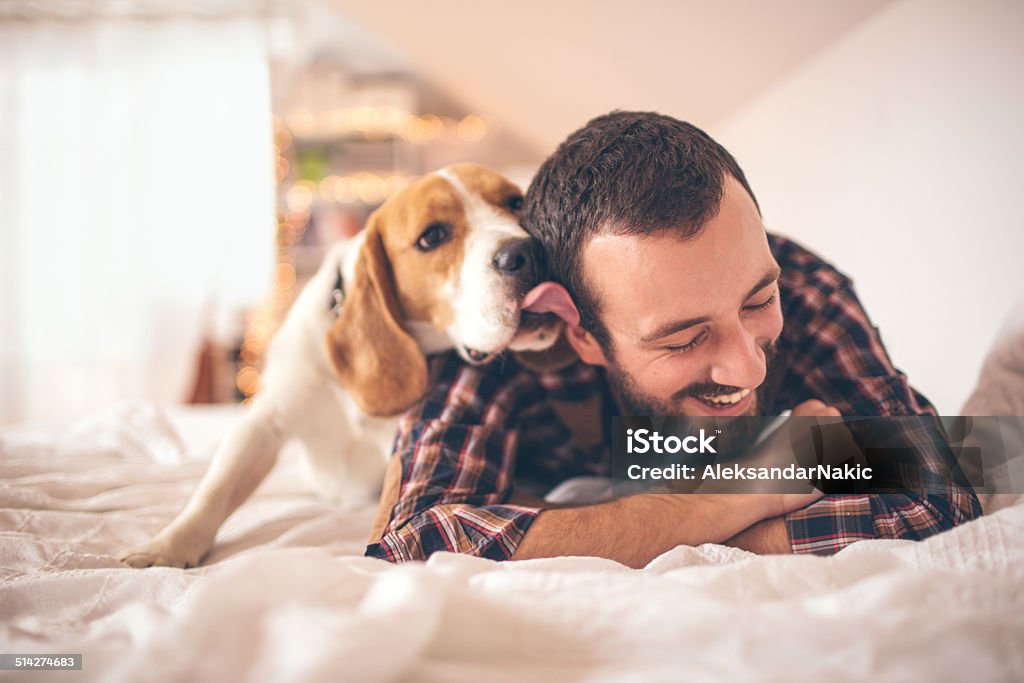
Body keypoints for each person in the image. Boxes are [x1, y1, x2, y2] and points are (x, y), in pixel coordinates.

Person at [365, 111, 981, 567]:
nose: (748, 369)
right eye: (683, 340)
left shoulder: (805, 285)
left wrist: (602, 534)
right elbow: (412, 542)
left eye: (758, 302)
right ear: (579, 334)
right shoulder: (507, 332)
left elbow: (940, 496)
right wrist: (727, 499)